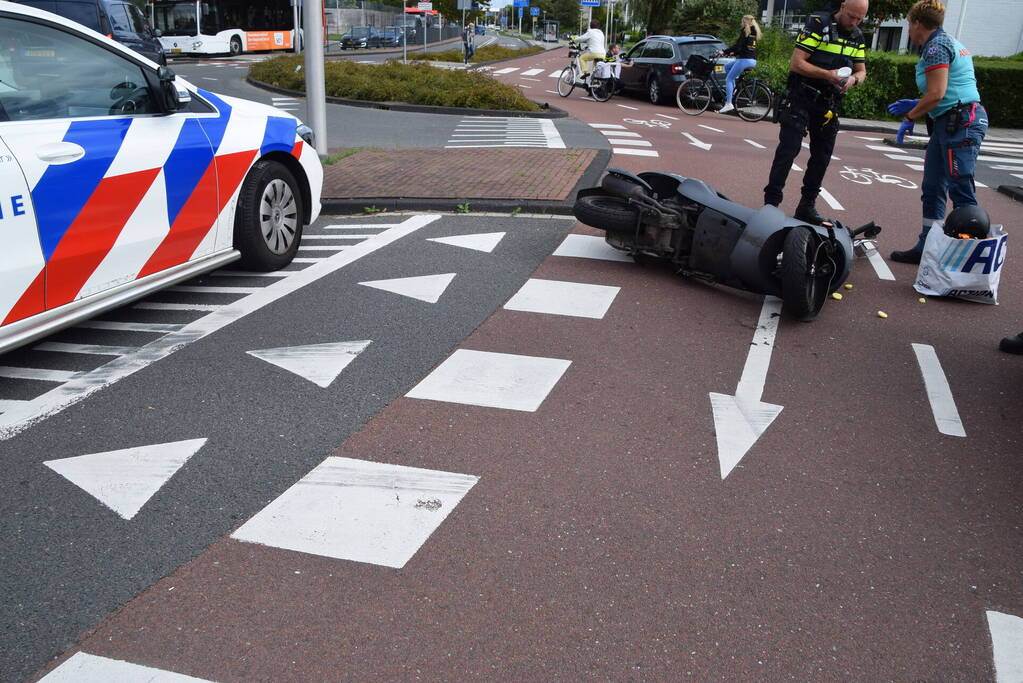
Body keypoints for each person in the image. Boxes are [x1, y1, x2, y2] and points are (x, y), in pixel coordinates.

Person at [887, 0, 989, 264]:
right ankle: (928, 245)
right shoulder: (949, 42)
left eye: (909, 25)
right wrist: (921, 105)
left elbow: (937, 93)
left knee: (960, 186)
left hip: (960, 122)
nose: (909, 31)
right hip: (950, 120)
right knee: (933, 187)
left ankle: (969, 257)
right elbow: (945, 89)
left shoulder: (935, 47)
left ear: (918, 23)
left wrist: (911, 115)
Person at [763, 0, 868, 226]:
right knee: (787, 152)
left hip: (829, 104)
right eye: (852, 16)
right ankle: (771, 204)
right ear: (842, 6)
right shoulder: (818, 25)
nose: (855, 22)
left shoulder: (857, 36)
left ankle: (806, 205)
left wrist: (853, 80)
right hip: (802, 97)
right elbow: (797, 63)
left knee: (822, 157)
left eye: (860, 19)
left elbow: (862, 71)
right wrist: (827, 75)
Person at [718, 14, 761, 114]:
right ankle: (732, 90)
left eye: (742, 21)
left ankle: (728, 103)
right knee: (727, 66)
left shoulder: (745, 31)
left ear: (745, 22)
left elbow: (738, 46)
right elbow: (744, 48)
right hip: (753, 60)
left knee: (729, 79)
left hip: (744, 60)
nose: (741, 23)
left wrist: (724, 52)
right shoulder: (754, 32)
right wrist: (735, 52)